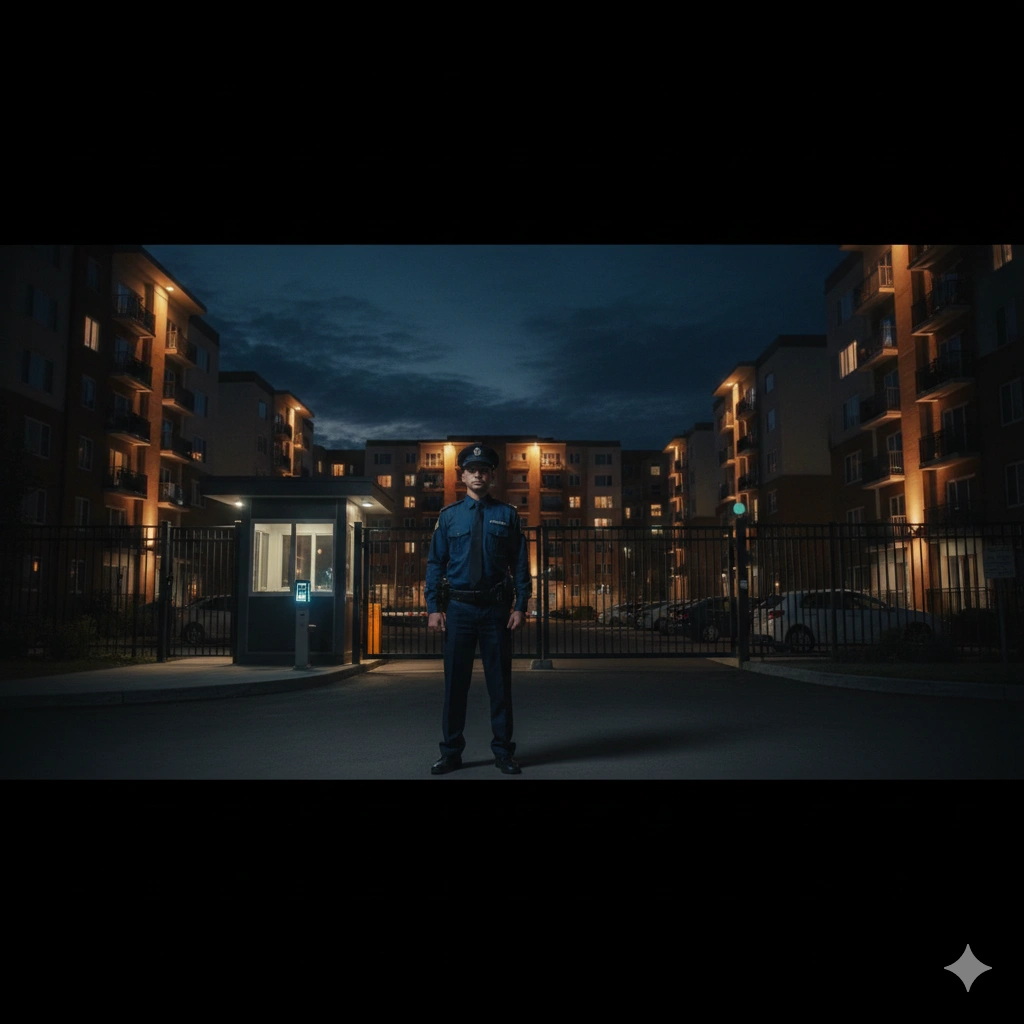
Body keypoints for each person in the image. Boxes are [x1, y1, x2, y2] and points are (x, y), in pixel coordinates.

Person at [425, 443, 531, 775]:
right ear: (463, 475)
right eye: (473, 470)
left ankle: (503, 752)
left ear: (492, 476)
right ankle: (451, 752)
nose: (478, 475)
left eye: (484, 470)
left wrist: (521, 605)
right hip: (457, 609)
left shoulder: (507, 515)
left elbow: (520, 565)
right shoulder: (448, 517)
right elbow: (434, 564)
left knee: (500, 685)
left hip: (496, 611)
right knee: (455, 685)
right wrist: (433, 607)